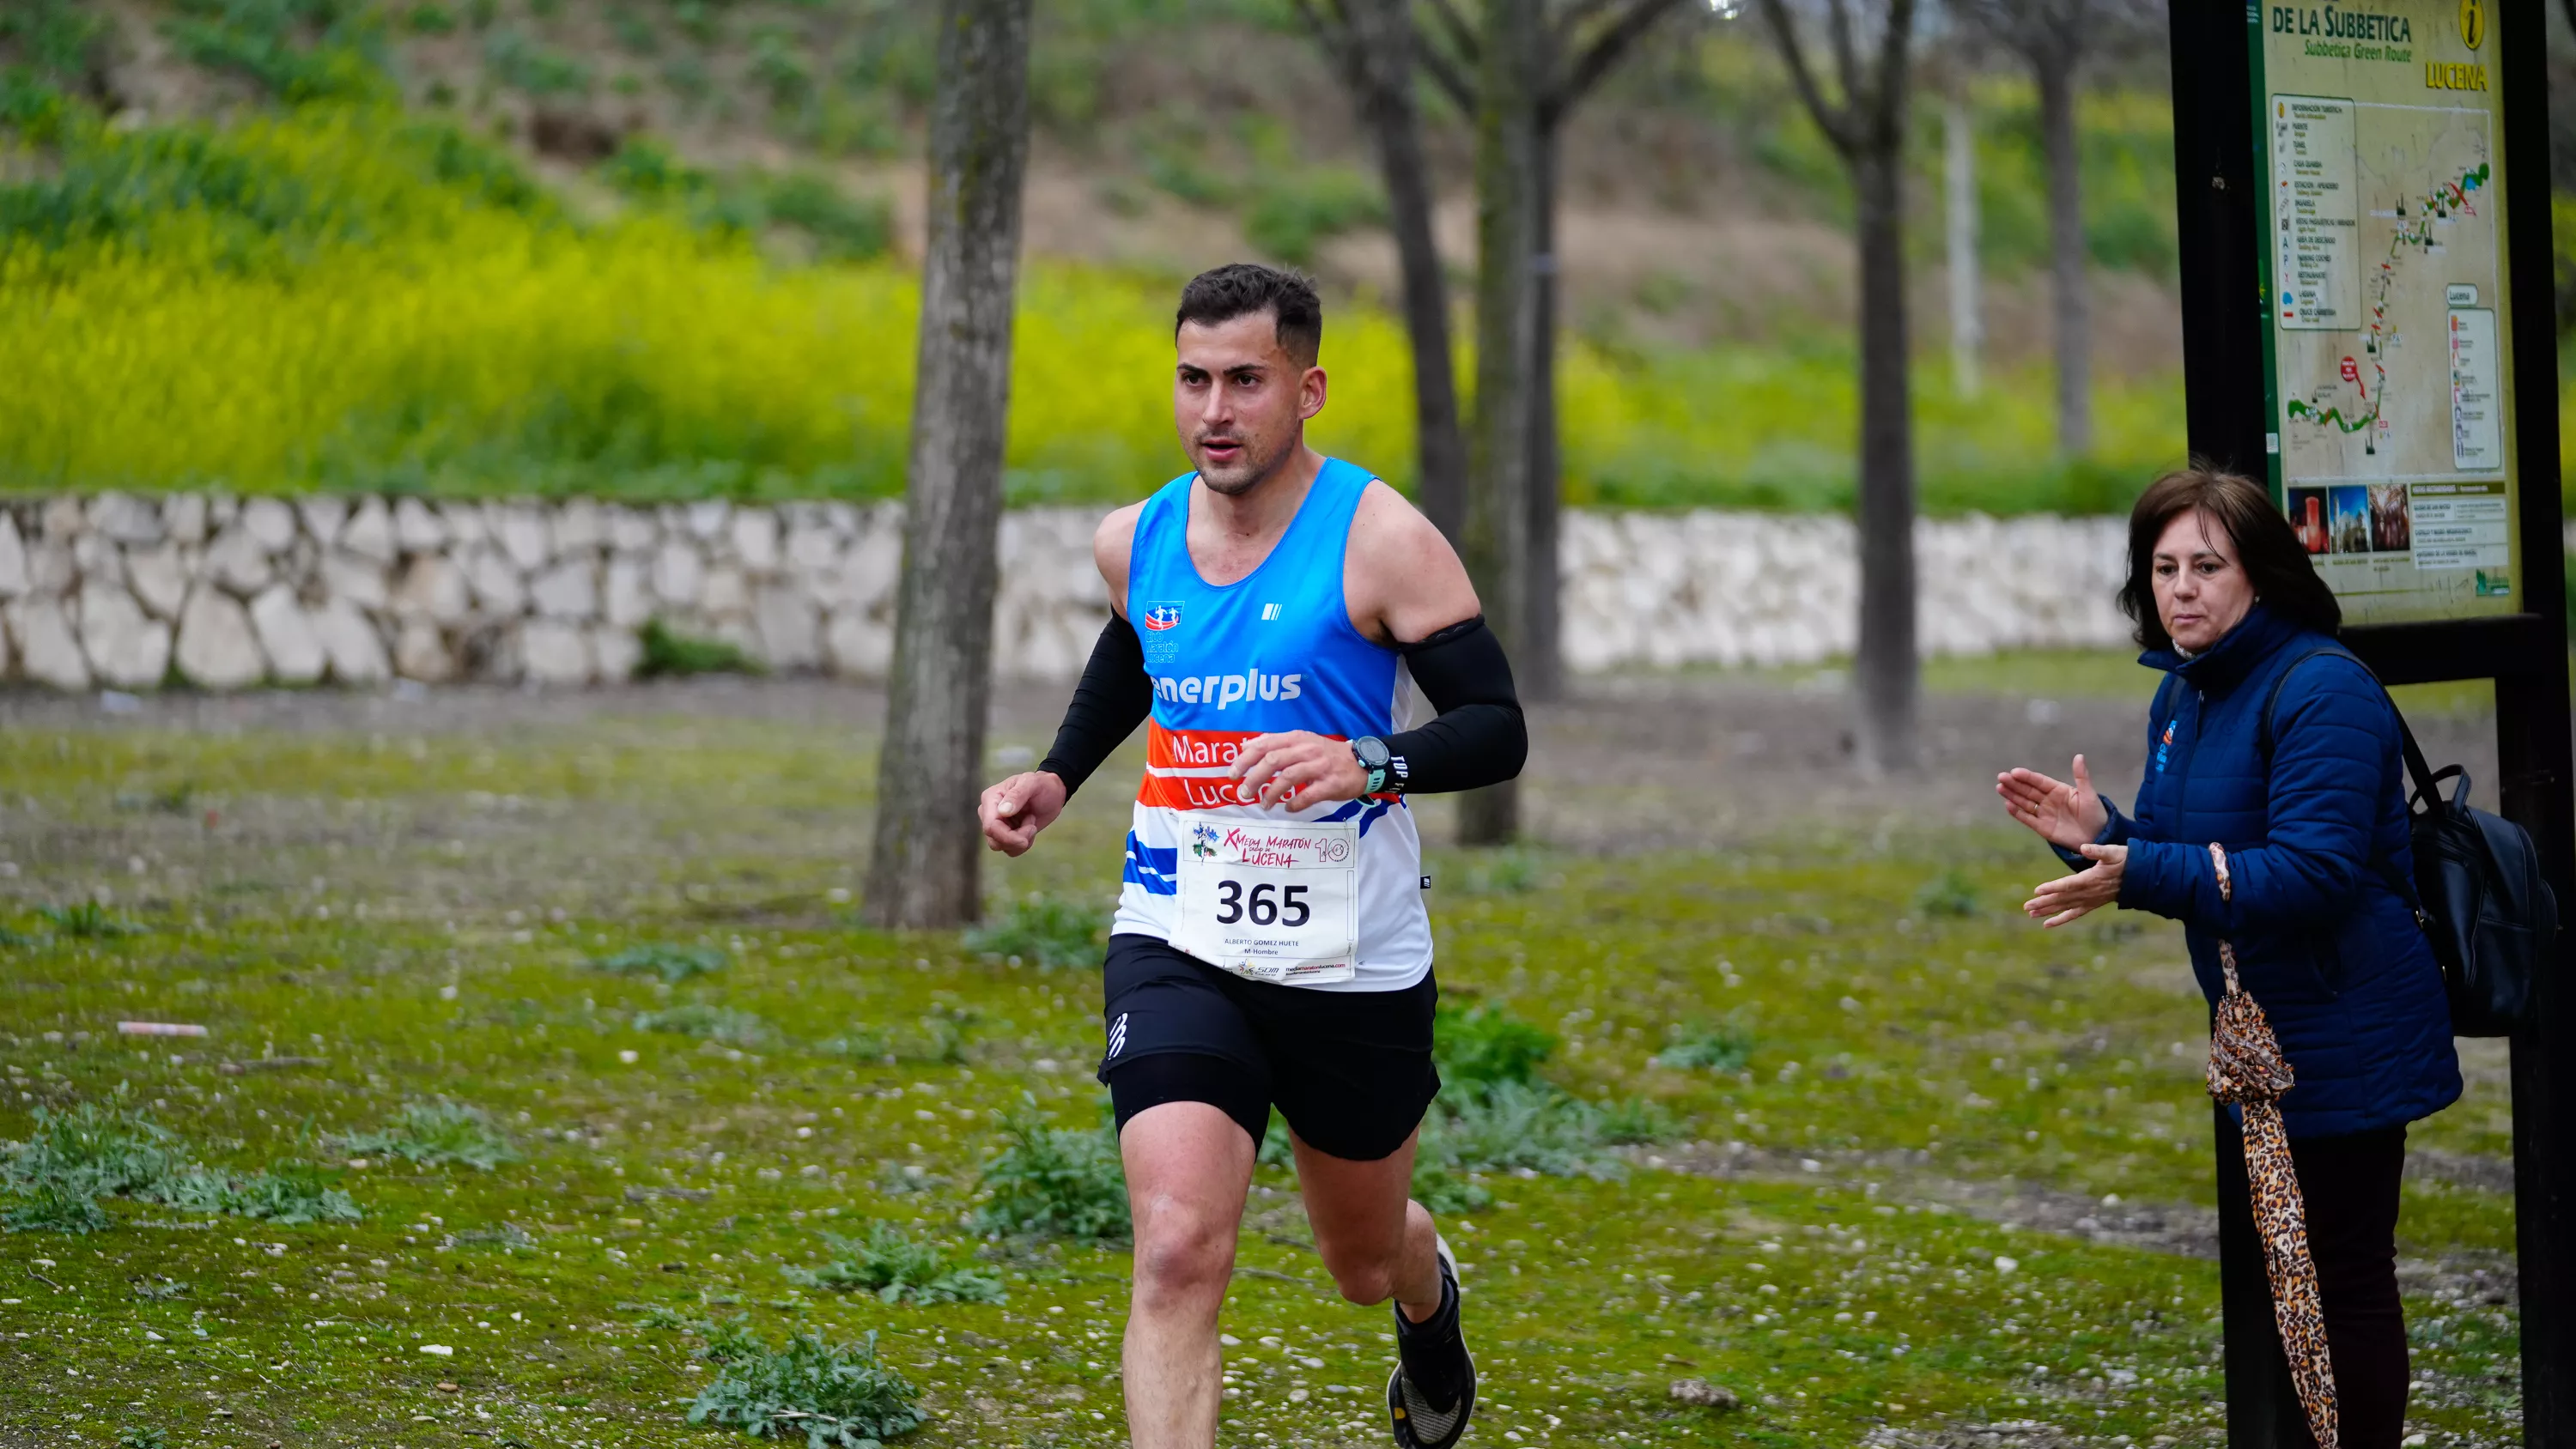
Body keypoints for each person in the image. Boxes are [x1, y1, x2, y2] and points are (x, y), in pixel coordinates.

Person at [978, 262, 1526, 1449]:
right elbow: (1136, 652)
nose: (1213, 410)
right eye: (1192, 380)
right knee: (1177, 1247)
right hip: (1178, 930)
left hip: (1349, 960)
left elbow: (1498, 729)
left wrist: (1370, 761)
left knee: (1362, 1259)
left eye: (1244, 381)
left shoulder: (1382, 540)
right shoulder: (1137, 538)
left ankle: (1430, 1304)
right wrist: (1057, 775)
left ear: (1308, 388)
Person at [1996, 467, 2460, 1449]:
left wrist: (2141, 867)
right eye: (2164, 567)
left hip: (2348, 1023)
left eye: (2208, 564)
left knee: (2341, 1273)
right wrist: (2098, 833)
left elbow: (2314, 872)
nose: (2182, 588)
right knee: (2294, 1273)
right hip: (2263, 1032)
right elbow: (2175, 850)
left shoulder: (2320, 686)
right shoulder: (2184, 694)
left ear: (2262, 573)